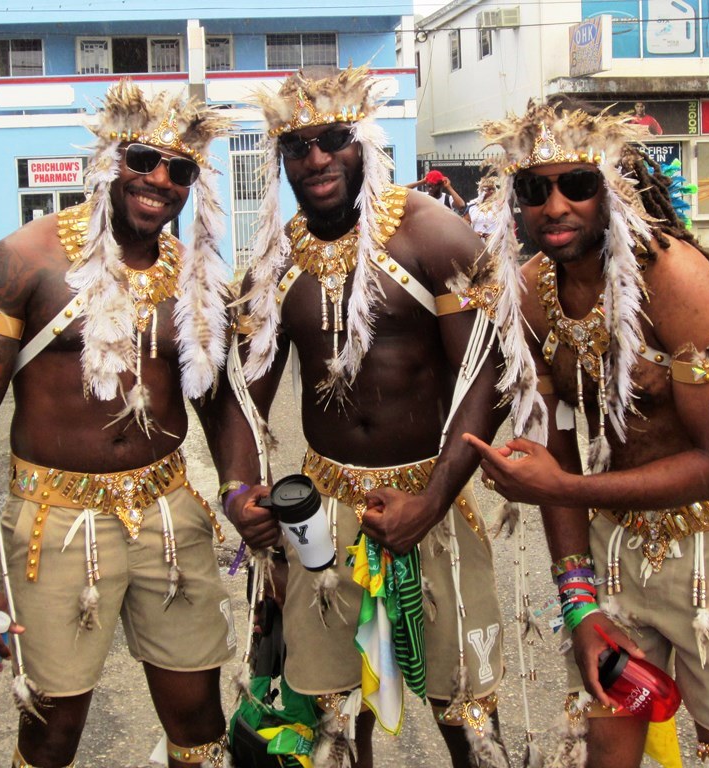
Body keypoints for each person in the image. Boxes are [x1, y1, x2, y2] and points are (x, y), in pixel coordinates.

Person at [215, 65, 544, 768]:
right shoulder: (272, 268)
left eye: (332, 139)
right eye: (297, 146)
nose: (315, 158)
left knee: (467, 717)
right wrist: (240, 495)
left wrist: (429, 505)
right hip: (322, 512)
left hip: (433, 495)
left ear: (361, 142)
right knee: (332, 718)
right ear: (281, 160)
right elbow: (243, 399)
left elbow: (480, 383)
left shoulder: (433, 237)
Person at [0, 80, 238, 768]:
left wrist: (244, 496)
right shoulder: (23, 260)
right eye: (140, 160)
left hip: (170, 515)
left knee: (199, 717)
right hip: (54, 522)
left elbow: (225, 407)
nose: (159, 180)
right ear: (106, 161)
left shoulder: (194, 277)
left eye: (179, 170)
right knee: (52, 727)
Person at [466, 99, 709, 767]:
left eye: (576, 185)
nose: (554, 205)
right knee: (603, 742)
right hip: (612, 542)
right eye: (533, 189)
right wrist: (578, 605)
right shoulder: (528, 293)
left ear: (613, 189)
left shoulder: (676, 281)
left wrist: (568, 485)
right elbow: (550, 447)